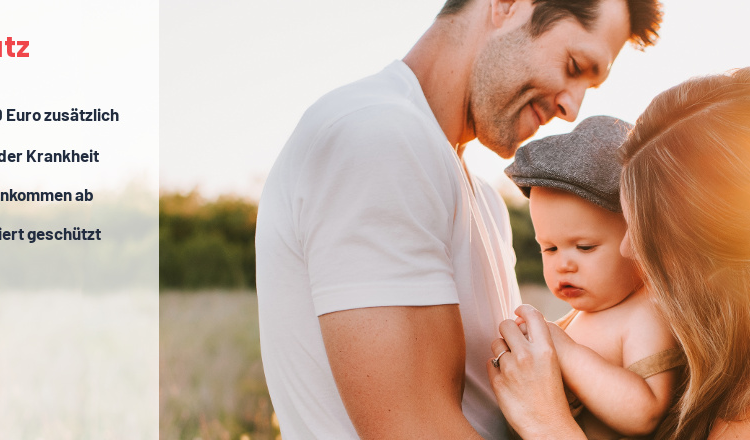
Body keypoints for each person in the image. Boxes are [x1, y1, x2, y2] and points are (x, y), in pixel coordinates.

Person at [255, 0, 663, 437]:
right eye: (573, 64)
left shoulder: (482, 198)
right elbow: (415, 428)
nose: (572, 107)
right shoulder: (378, 138)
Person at [490, 67, 750, 439]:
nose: (629, 249)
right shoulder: (746, 339)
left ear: (721, 241)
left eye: (649, 234)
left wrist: (546, 422)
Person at [502, 115, 683, 438]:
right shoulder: (585, 314)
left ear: (637, 240)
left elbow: (647, 411)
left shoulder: (645, 312)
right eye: (550, 248)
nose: (563, 265)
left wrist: (565, 350)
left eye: (584, 247)